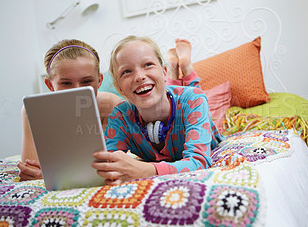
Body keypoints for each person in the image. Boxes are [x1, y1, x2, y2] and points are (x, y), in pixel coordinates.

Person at [92, 36, 223, 185]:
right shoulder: (120, 116)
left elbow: (199, 161)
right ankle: (175, 68)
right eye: (127, 72)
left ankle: (186, 66)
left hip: (196, 113)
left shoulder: (193, 99)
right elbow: (107, 164)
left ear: (163, 72)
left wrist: (145, 170)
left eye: (148, 64)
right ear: (119, 88)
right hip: (163, 91)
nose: (139, 77)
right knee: (157, 89)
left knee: (194, 91)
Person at [18, 39, 121, 181]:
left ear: (99, 80)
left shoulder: (111, 104)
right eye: (66, 83)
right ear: (49, 84)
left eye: (86, 82)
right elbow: (30, 169)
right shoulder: (32, 111)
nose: (77, 90)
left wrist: (55, 175)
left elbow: (111, 164)